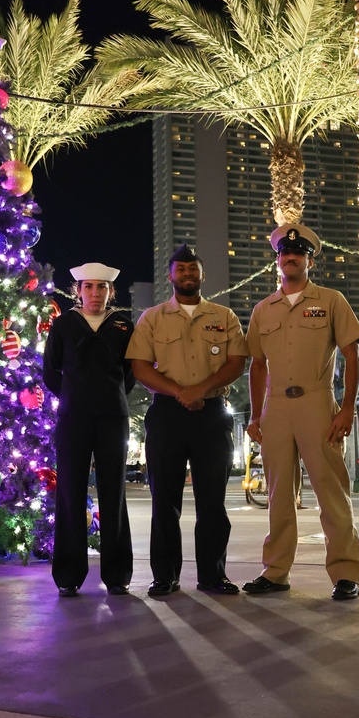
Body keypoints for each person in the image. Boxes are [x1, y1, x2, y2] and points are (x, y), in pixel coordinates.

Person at [243, 223, 359, 602]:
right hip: (275, 406)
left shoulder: (330, 301)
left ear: (310, 260)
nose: (289, 257)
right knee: (279, 493)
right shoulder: (264, 310)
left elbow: (352, 354)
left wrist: (346, 408)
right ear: (277, 260)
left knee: (331, 491)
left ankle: (345, 573)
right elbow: (257, 365)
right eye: (283, 253)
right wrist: (255, 414)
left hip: (317, 401)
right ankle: (275, 571)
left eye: (297, 253)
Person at [126, 243, 247, 596]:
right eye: (181, 269)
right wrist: (180, 392)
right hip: (166, 415)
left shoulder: (224, 317)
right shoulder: (152, 317)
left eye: (193, 268)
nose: (187, 274)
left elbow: (236, 363)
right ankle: (165, 576)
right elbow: (140, 366)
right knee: (165, 501)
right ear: (171, 275)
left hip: (211, 415)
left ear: (202, 274)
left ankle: (213, 575)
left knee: (213, 502)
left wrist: (200, 390)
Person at [42, 262, 135, 597]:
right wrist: (75, 396)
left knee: (114, 493)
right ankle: (68, 575)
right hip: (73, 419)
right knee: (69, 492)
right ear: (78, 291)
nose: (96, 293)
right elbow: (50, 372)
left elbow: (131, 373)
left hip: (113, 418)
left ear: (112, 292)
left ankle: (118, 574)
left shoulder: (124, 325)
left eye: (102, 287)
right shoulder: (64, 324)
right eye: (89, 287)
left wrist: (109, 397)